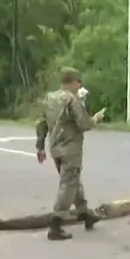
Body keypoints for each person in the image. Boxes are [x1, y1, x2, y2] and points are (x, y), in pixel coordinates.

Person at [36, 69, 106, 241]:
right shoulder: (71, 99)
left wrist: (40, 146)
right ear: (73, 82)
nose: (80, 85)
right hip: (70, 149)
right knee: (68, 184)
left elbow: (41, 123)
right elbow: (84, 124)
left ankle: (84, 213)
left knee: (72, 181)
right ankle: (56, 224)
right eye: (78, 81)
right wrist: (96, 118)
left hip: (55, 148)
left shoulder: (49, 98)